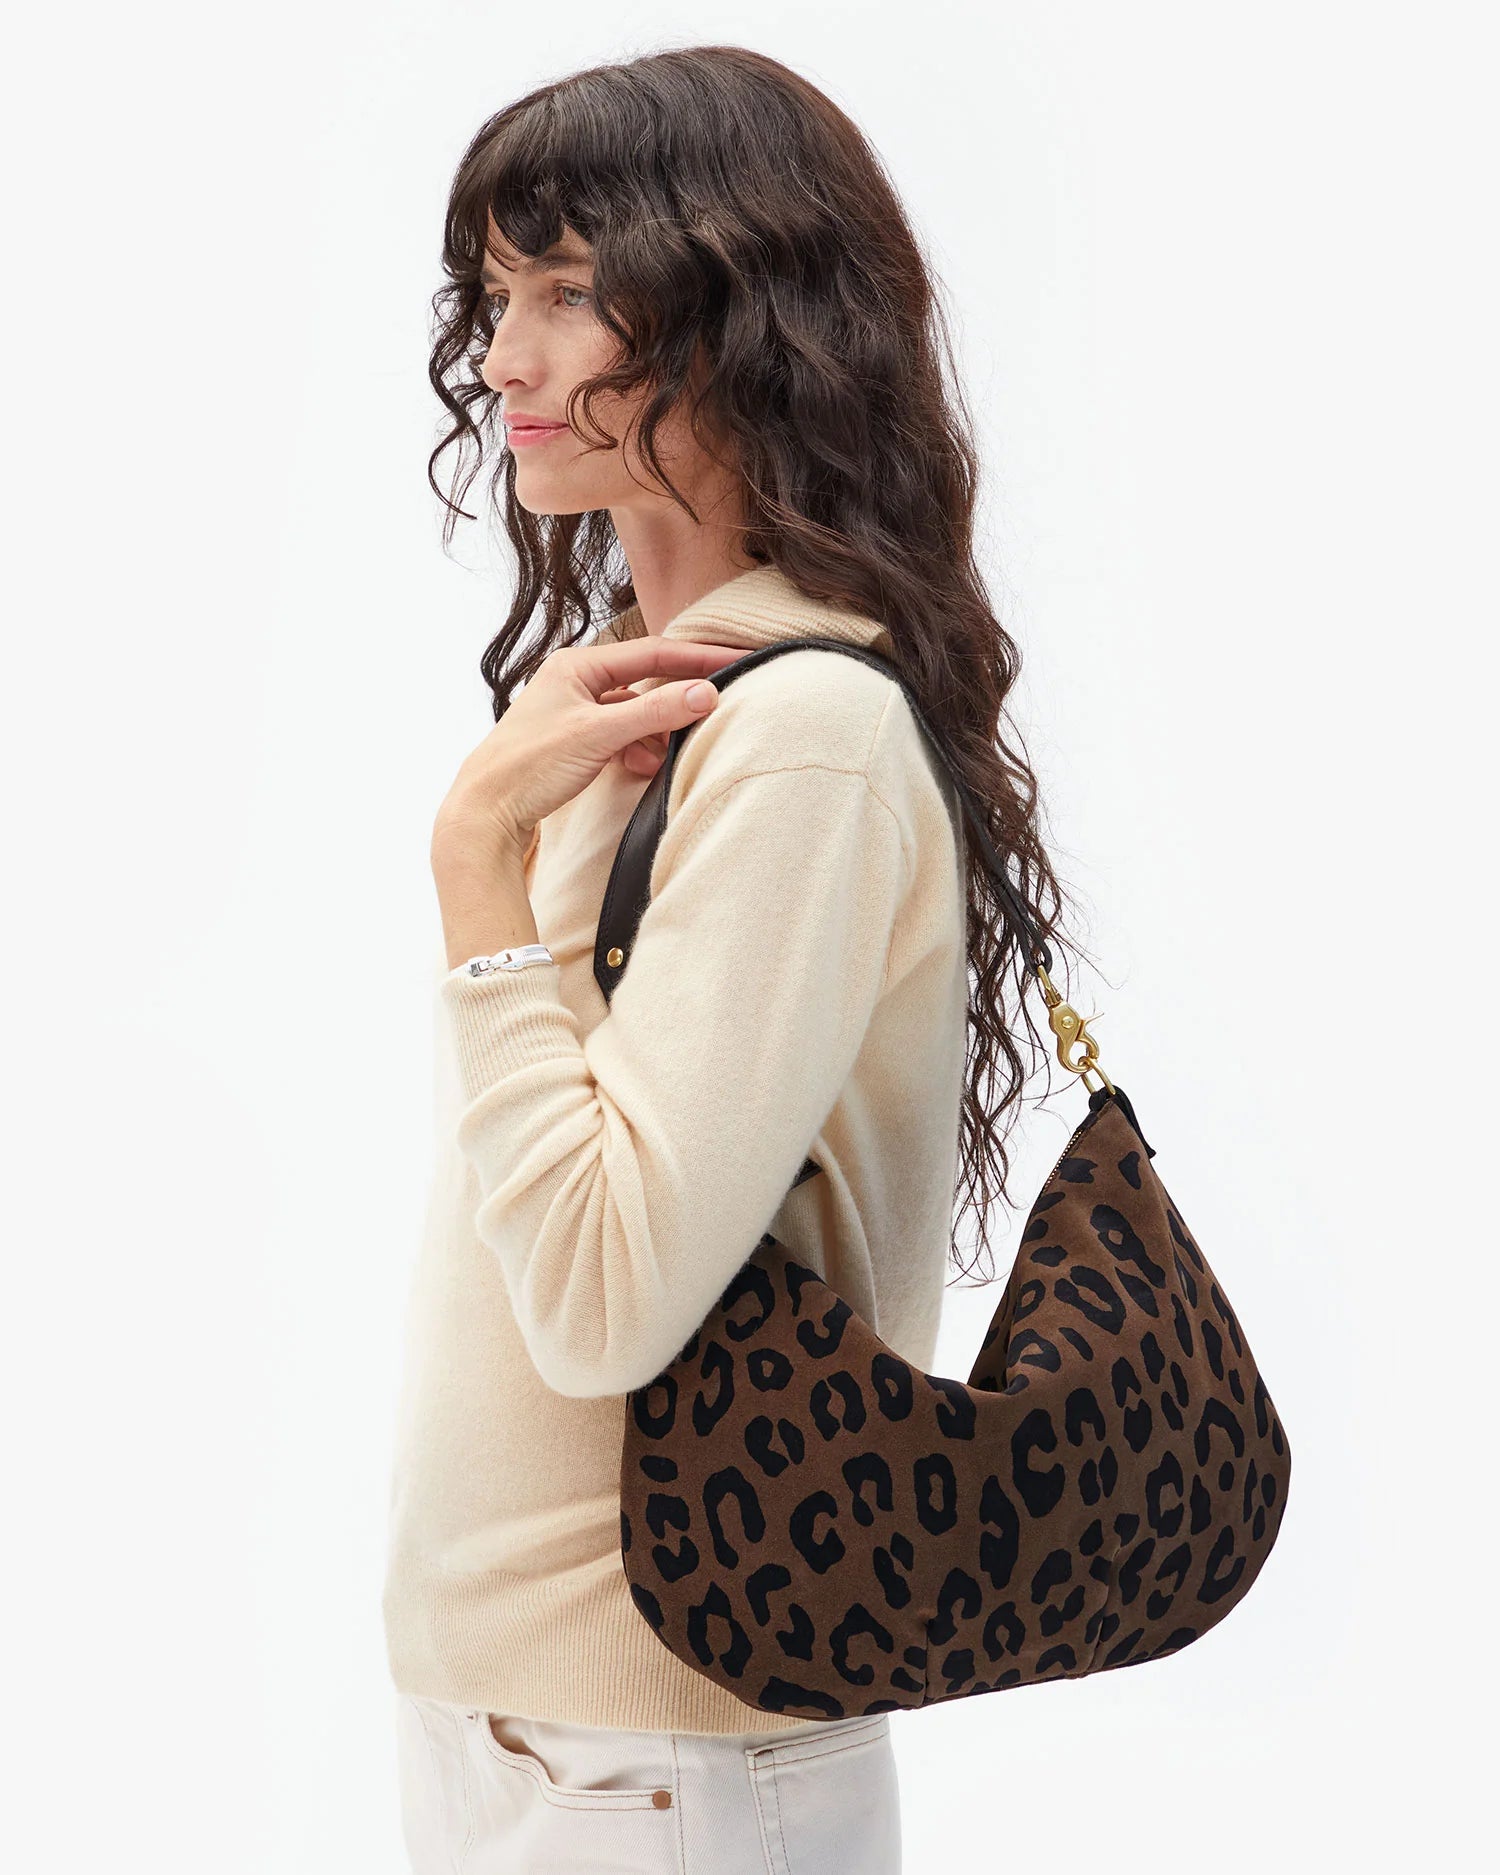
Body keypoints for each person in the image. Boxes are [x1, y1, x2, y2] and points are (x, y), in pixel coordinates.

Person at [384, 43, 1077, 1875]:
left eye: (563, 292)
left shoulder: (801, 735)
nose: (503, 359)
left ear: (739, 311)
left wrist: (474, 866)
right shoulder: (660, 707)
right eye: (490, 299)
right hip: (532, 1726)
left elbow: (609, 1290)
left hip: (666, 1759)